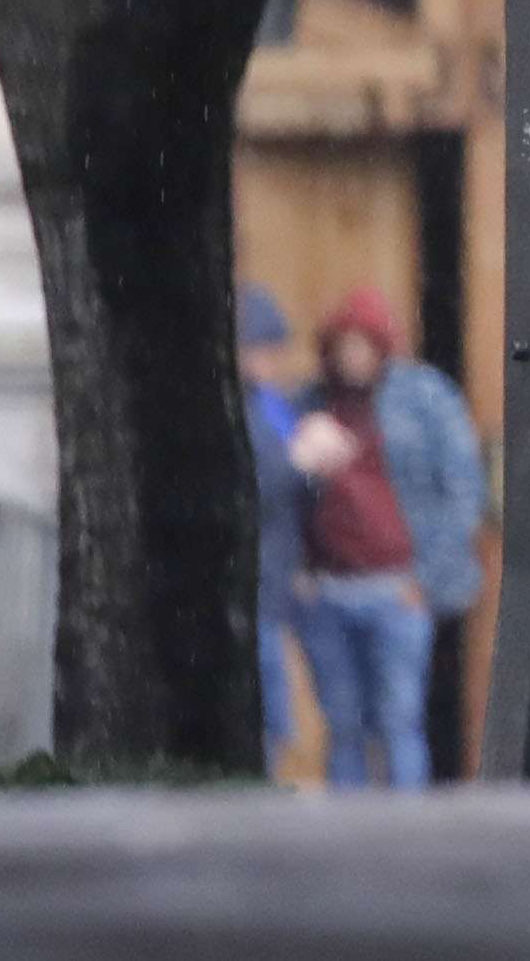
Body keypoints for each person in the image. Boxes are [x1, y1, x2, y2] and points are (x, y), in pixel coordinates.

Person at [287, 289, 478, 787]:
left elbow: (462, 489)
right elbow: (282, 495)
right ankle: (345, 844)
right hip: (327, 591)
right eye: (342, 345)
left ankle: (410, 844)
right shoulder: (307, 403)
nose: (352, 357)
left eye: (363, 345)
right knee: (344, 725)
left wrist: (428, 579)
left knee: (399, 721)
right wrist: (298, 571)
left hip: (397, 590)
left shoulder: (424, 398)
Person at [238, 282, 307, 779]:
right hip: (255, 582)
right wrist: (299, 466)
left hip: (278, 580)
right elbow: (249, 487)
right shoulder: (244, 407)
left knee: (275, 712)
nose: (270, 360)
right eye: (261, 348)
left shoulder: (275, 405)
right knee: (263, 710)